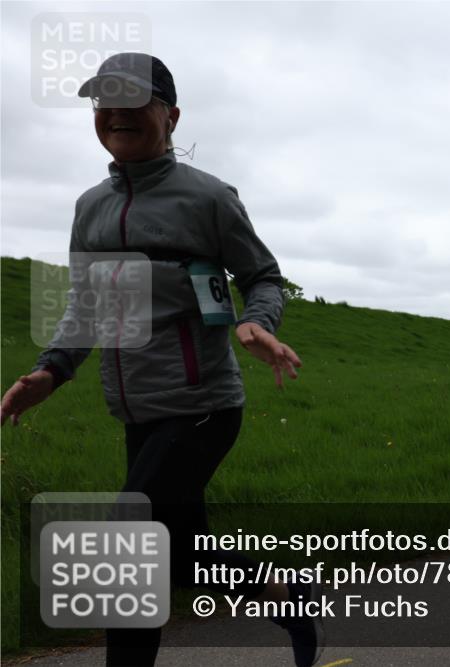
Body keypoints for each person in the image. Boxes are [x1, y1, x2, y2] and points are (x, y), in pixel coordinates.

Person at [0, 53, 322, 667]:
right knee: (179, 552)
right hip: (137, 410)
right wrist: (51, 370)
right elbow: (86, 304)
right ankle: (291, 598)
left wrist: (257, 323)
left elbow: (264, 276)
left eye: (133, 101)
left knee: (130, 545)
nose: (116, 114)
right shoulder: (89, 207)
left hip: (202, 405)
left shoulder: (207, 198)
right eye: (104, 103)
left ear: (170, 114)